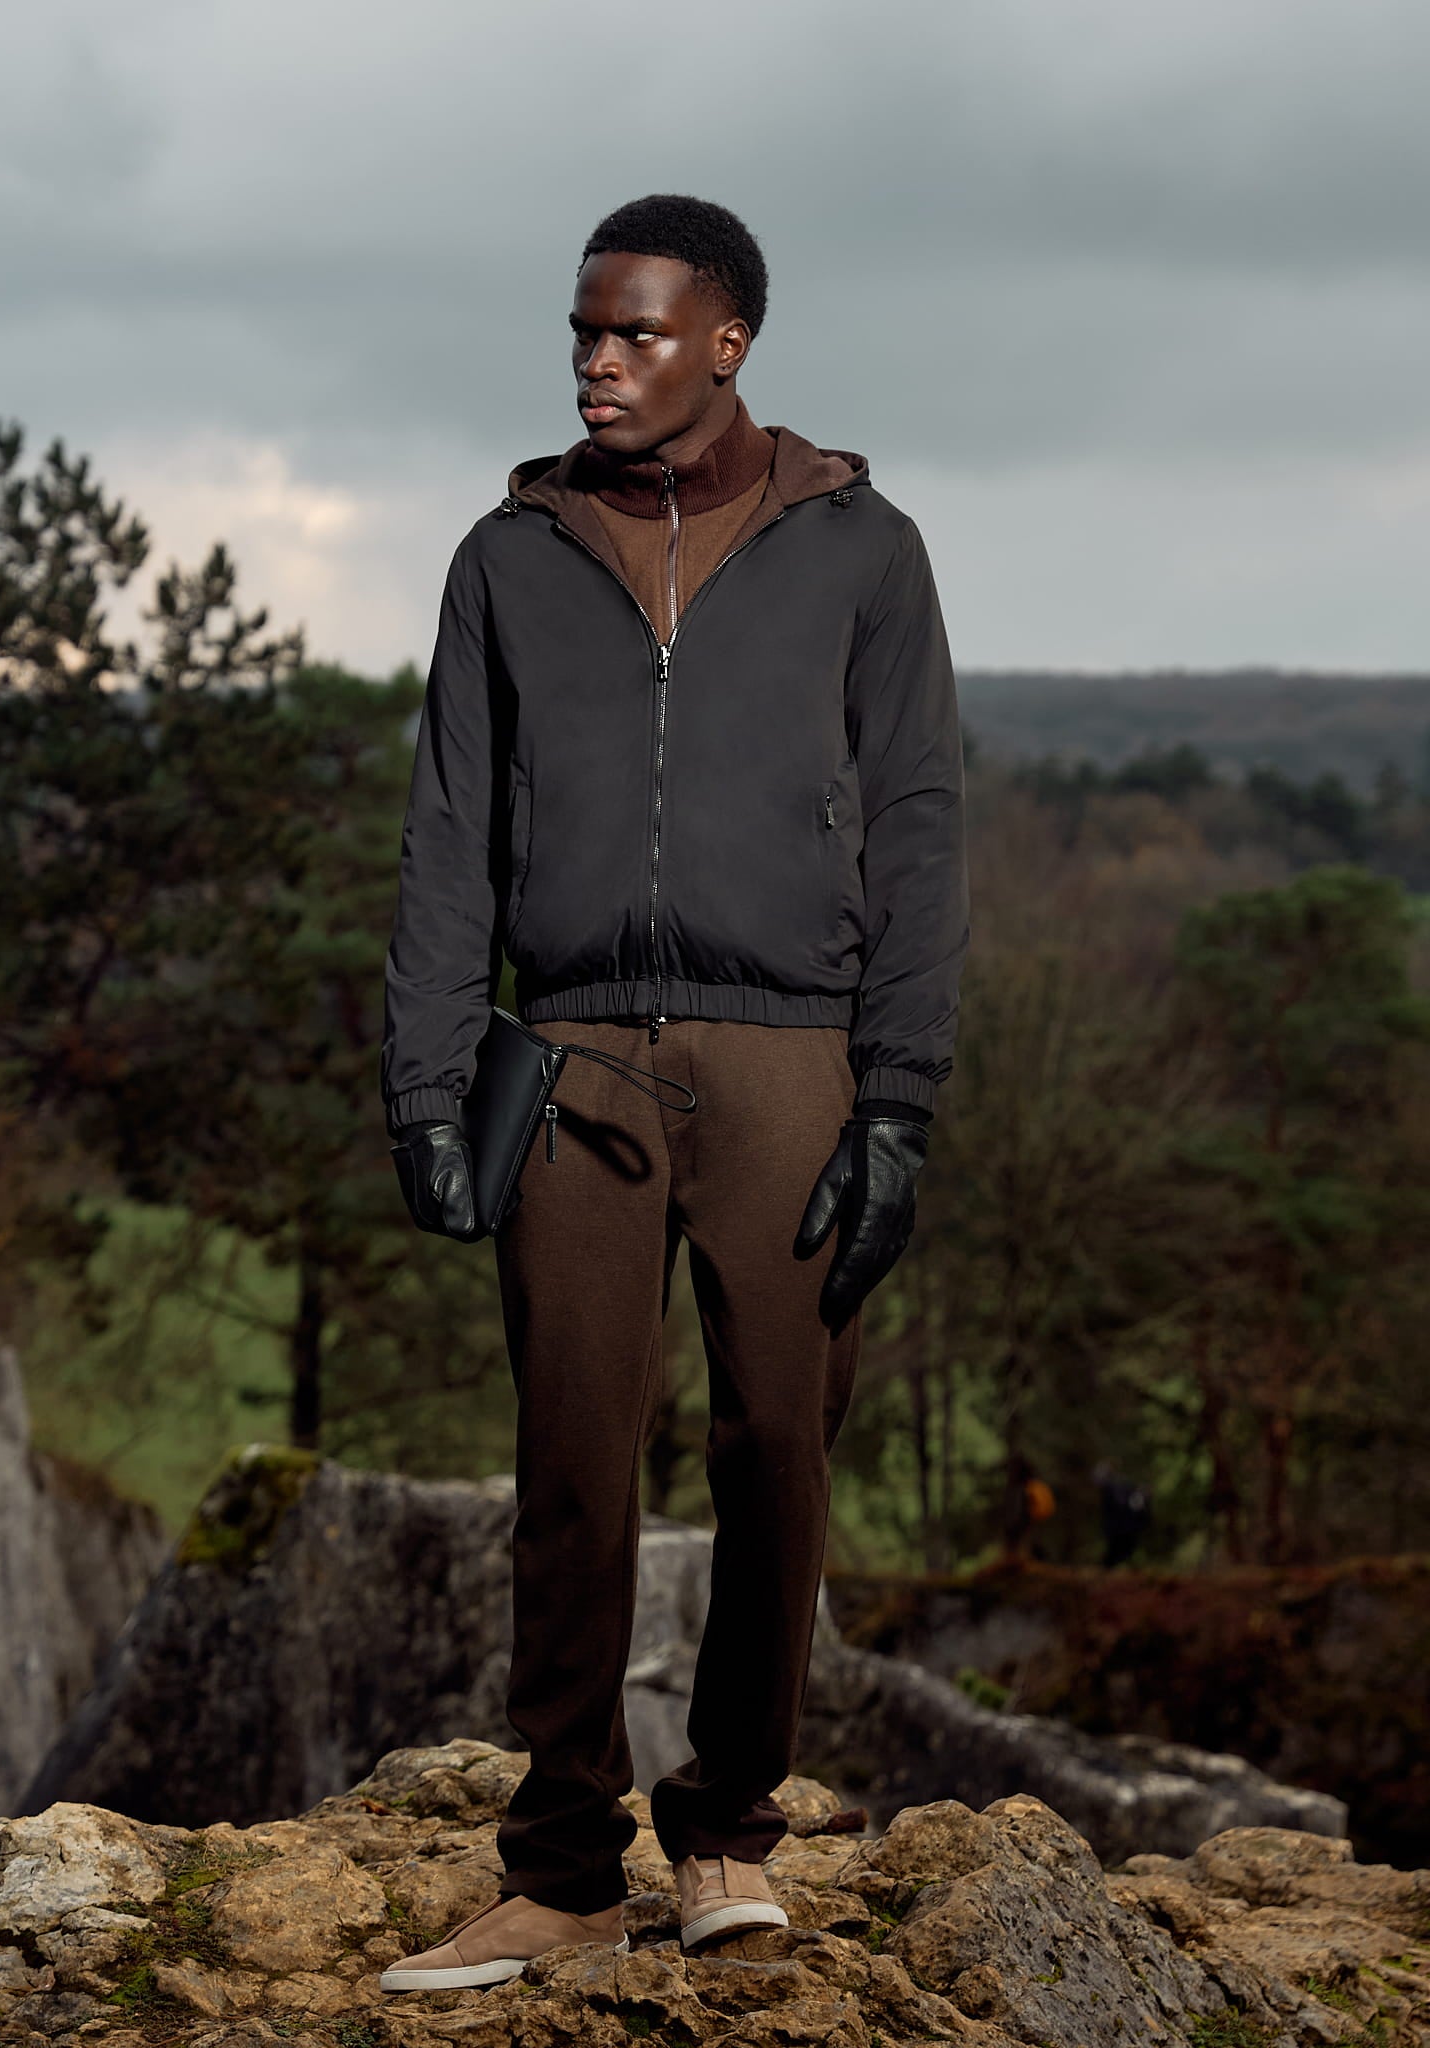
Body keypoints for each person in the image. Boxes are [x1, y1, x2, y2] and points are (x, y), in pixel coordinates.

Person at [378, 193, 969, 1991]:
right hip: (563, 1059)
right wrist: (423, 1071)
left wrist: (898, 1101)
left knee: (780, 1450)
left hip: (793, 1052)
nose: (596, 362)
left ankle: (722, 1829)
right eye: (581, 331)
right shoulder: (509, 553)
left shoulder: (862, 548)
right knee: (570, 1464)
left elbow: (927, 824)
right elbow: (448, 836)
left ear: (728, 341)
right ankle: (559, 1867)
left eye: (634, 332)